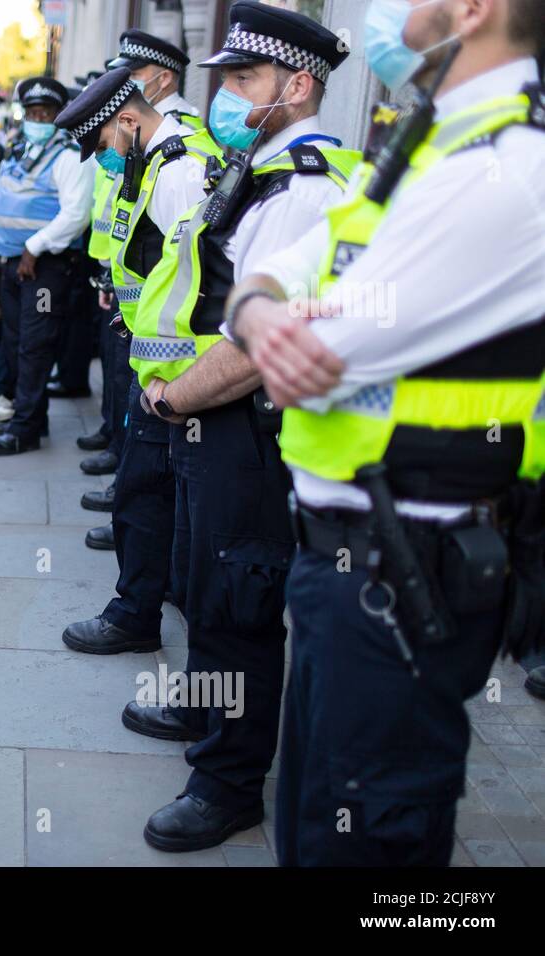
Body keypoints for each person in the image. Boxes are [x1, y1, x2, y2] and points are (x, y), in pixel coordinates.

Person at [228, 0, 545, 866]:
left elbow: (331, 343)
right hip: (349, 561)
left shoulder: (506, 168)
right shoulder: (429, 141)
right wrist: (261, 310)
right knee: (317, 825)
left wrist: (271, 315)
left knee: (369, 844)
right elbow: (274, 277)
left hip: (406, 573)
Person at [126, 1, 358, 853]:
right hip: (216, 427)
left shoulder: (301, 188)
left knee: (236, 605)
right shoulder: (260, 167)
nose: (224, 92)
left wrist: (174, 398)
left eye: (244, 77)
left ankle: (227, 782)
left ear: (298, 85)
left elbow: (257, 346)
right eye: (222, 76)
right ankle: (202, 708)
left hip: (248, 432)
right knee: (202, 586)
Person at [53, 68, 218, 651]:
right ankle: (163, 589)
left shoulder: (177, 169)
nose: (101, 160)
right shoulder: (154, 161)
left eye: (101, 147)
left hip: (175, 369)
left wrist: (173, 377)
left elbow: (198, 280)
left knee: (142, 493)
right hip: (158, 360)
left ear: (126, 121)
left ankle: (134, 616)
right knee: (158, 490)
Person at [0, 77, 94, 453]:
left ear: (60, 114)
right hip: (13, 265)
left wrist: (34, 246)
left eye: (45, 112)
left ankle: (24, 430)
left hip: (46, 269)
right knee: (15, 341)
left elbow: (76, 214)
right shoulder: (21, 149)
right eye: (31, 112)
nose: (38, 118)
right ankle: (31, 417)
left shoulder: (70, 155)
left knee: (35, 344)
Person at [105, 29, 203, 128]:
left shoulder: (175, 125)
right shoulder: (147, 115)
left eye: (134, 75)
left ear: (164, 78)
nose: (126, 81)